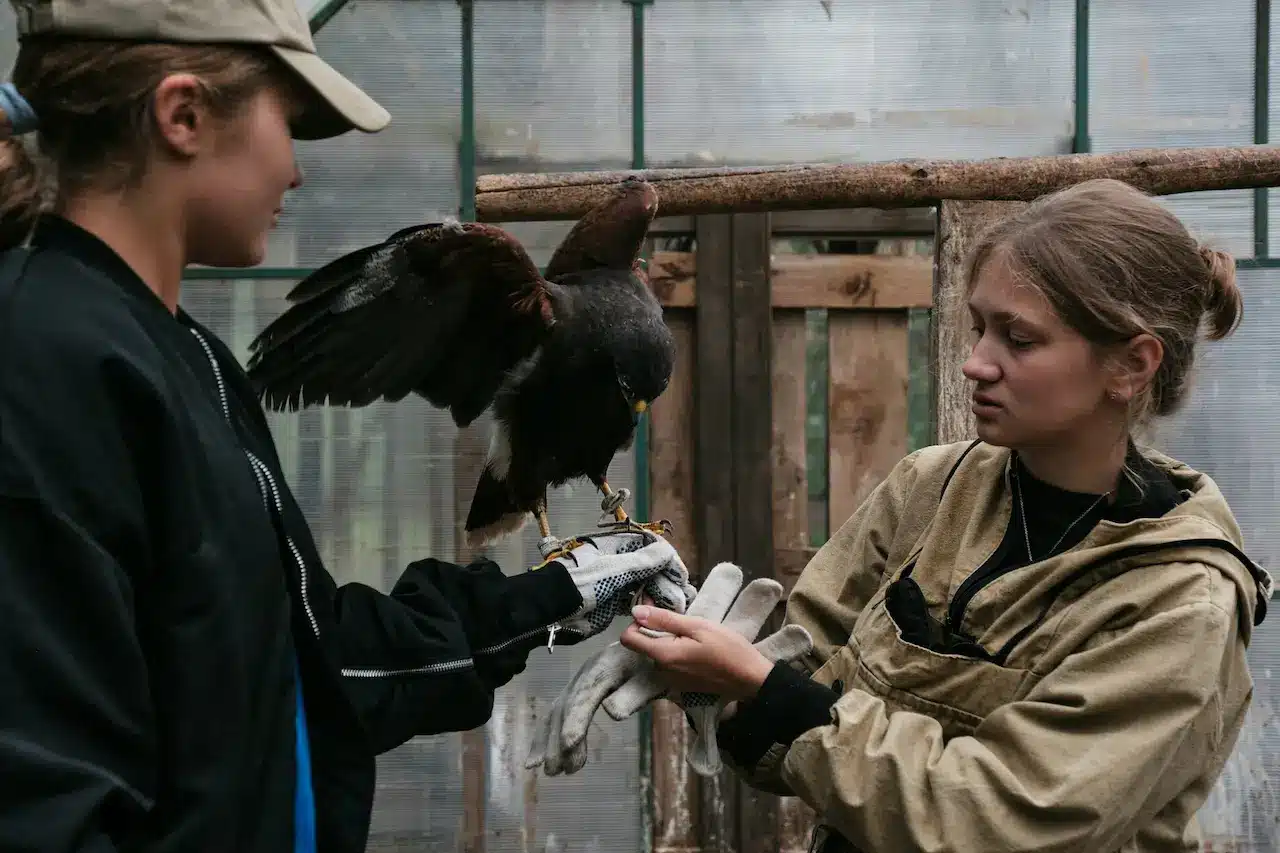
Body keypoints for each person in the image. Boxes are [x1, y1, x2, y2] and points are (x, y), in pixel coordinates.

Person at [0, 2, 693, 852]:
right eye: (290, 124)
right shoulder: (42, 370)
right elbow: (46, 801)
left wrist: (547, 597)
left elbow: (304, 666)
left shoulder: (185, 361)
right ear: (182, 116)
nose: (295, 171)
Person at [618, 178, 1275, 853]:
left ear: (1131, 365)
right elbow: (801, 674)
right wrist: (704, 670)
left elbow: (1004, 817)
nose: (975, 362)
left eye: (1018, 339)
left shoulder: (1180, 602)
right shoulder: (930, 488)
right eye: (979, 326)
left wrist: (764, 688)